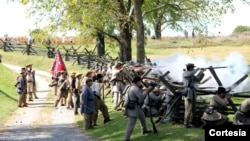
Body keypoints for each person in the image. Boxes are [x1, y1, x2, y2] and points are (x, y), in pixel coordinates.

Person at [124, 76, 153, 141]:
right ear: (138, 82)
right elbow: (141, 97)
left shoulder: (134, 87)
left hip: (136, 106)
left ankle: (144, 130)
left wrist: (145, 90)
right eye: (140, 82)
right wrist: (147, 91)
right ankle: (126, 139)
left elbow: (139, 93)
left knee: (142, 118)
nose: (141, 83)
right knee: (131, 124)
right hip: (134, 107)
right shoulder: (135, 88)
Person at [182, 63, 206, 128]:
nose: (193, 68)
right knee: (188, 109)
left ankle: (190, 122)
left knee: (192, 109)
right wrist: (198, 69)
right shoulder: (185, 73)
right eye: (193, 67)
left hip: (192, 92)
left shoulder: (191, 74)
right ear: (190, 68)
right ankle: (186, 124)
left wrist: (202, 72)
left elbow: (198, 79)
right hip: (188, 93)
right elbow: (191, 73)